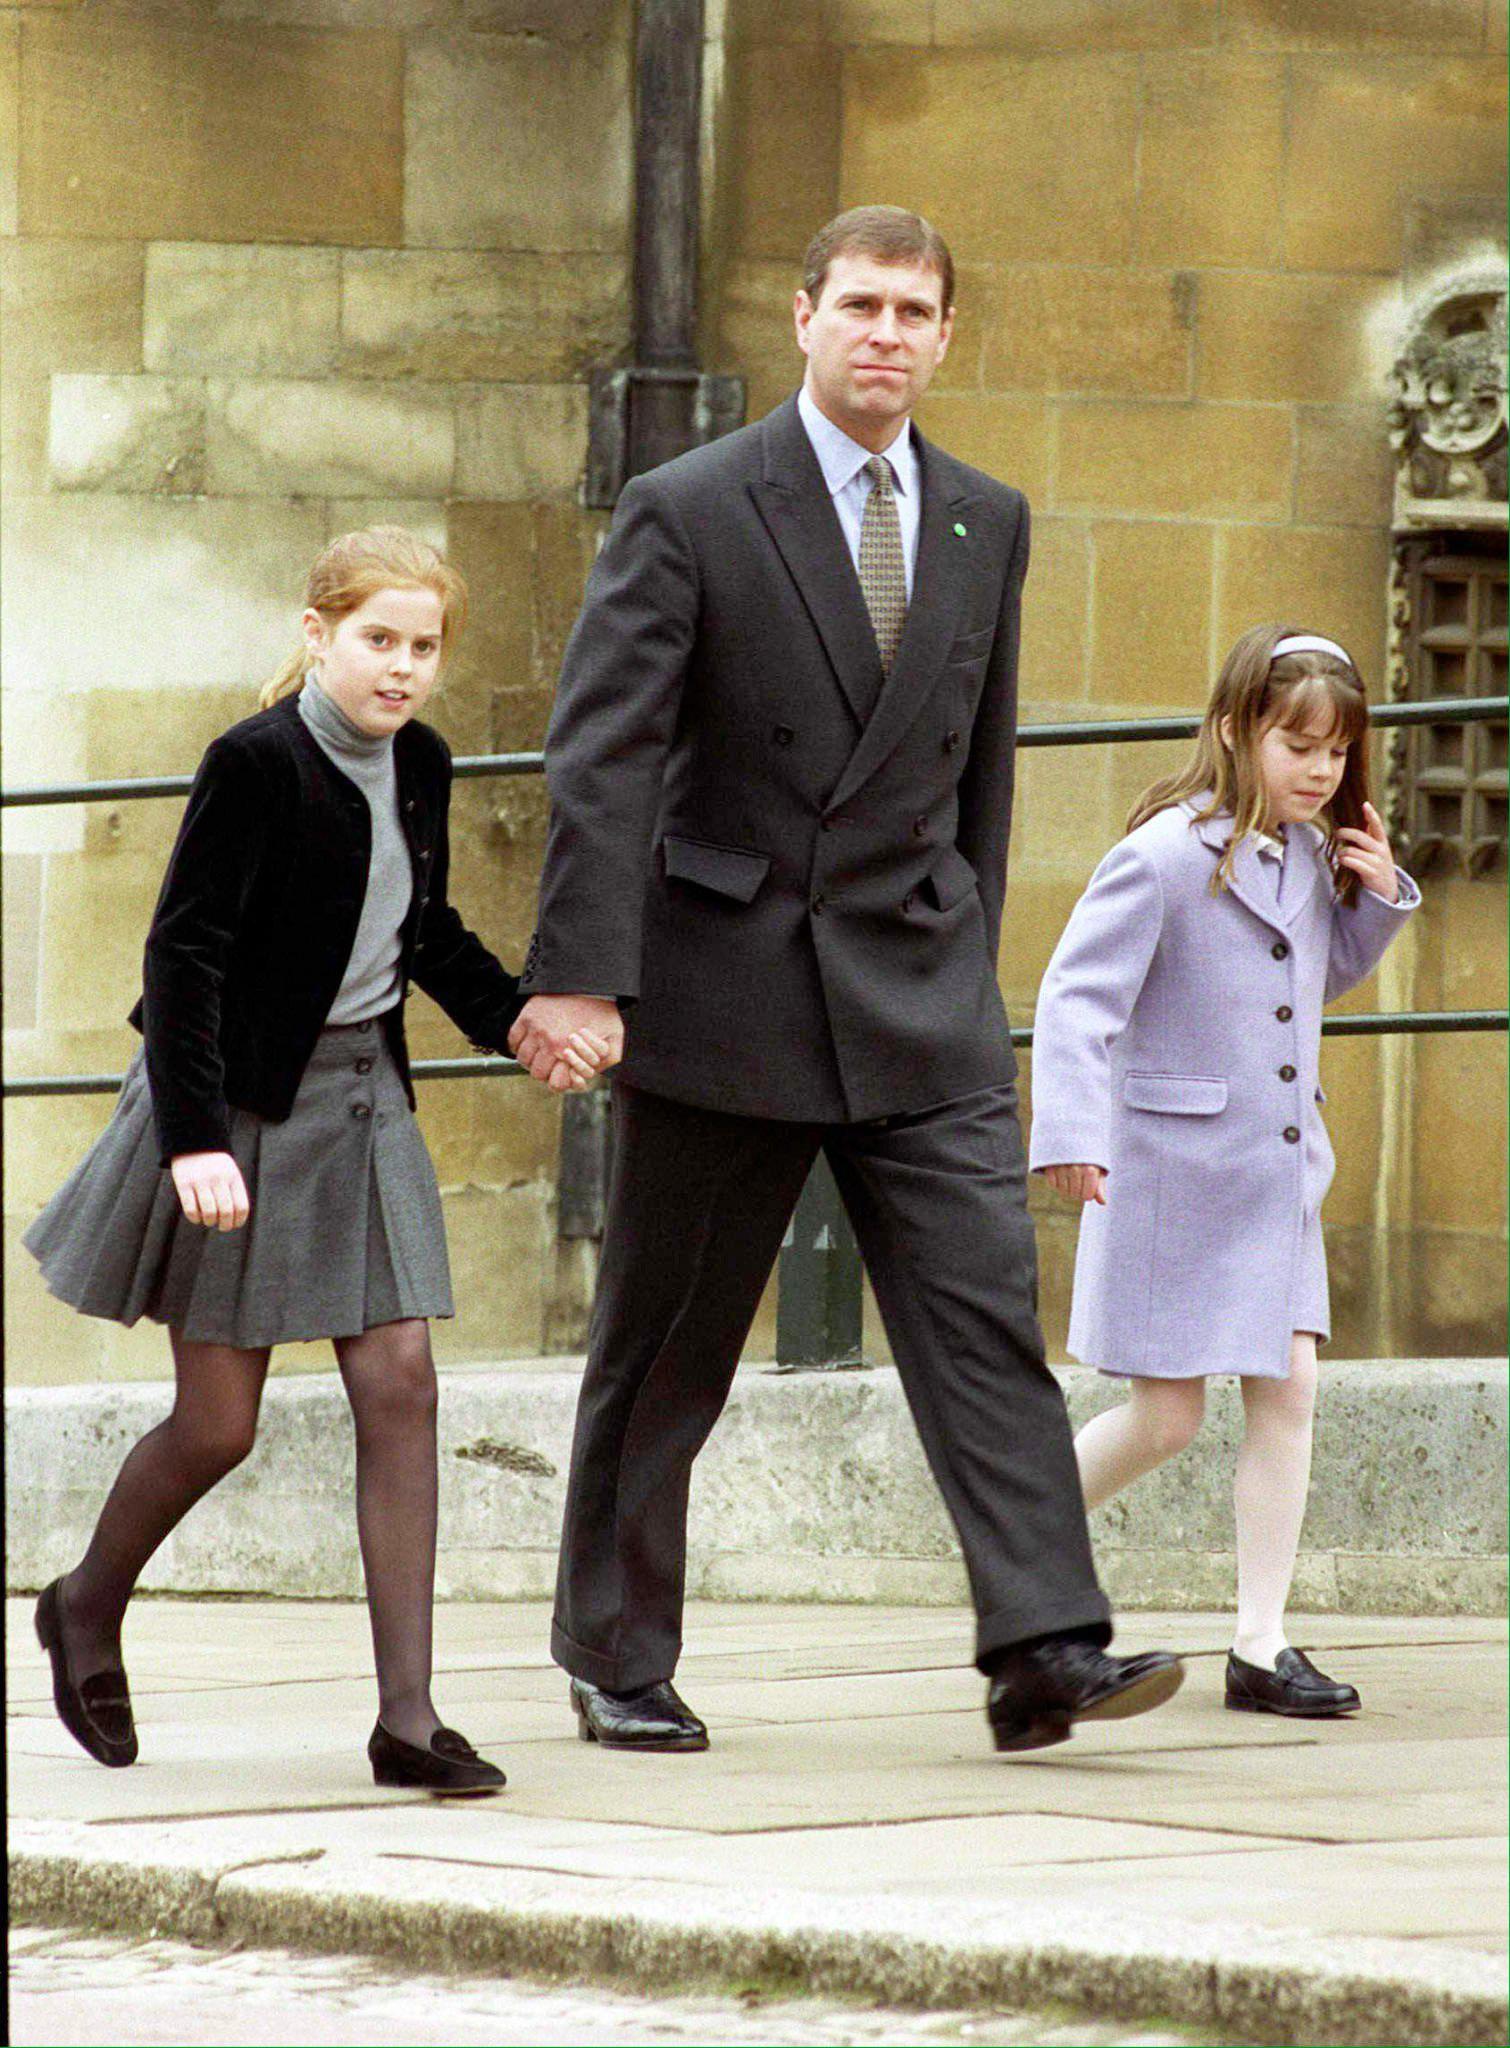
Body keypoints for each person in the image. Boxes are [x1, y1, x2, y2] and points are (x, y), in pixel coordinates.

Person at [507, 204, 1184, 1757]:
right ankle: (615, 1651)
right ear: (803, 318)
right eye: (859, 304)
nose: (885, 332)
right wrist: (584, 980)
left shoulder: (985, 517)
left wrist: (957, 921)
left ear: (946, 337)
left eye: (914, 311)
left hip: (915, 994)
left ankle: (1042, 1648)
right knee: (666, 1347)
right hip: (720, 989)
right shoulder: (689, 506)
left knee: (981, 1335)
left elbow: (982, 767)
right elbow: (601, 760)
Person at [26, 526, 607, 1794]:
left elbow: (424, 925)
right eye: (377, 640)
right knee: (219, 1423)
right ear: (317, 635)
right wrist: (190, 1139)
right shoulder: (254, 763)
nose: (401, 668)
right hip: (235, 1105)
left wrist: (517, 1019)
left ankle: (408, 1717)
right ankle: (83, 1600)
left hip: (364, 1100)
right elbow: (183, 957)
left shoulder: (424, 763)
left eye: (424, 646)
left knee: (401, 1381)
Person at [1028, 625, 1420, 1719]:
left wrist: (1375, 896)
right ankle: (1016, 1550)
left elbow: (1309, 979)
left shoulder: (1307, 855)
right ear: (1235, 730)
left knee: (1290, 1388)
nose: (1317, 769)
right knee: (1164, 1417)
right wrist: (1070, 1130)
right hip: (1169, 1170)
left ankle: (1261, 1641)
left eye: (1336, 752)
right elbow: (1074, 996)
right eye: (1297, 744)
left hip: (1276, 1172)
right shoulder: (1161, 852)